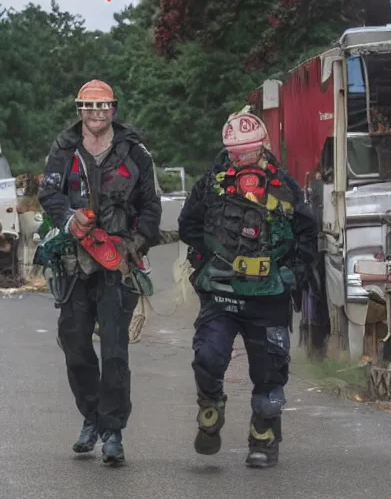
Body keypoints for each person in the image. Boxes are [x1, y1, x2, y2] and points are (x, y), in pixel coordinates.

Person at [178, 112, 318, 468]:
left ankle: (263, 437)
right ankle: (211, 409)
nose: (243, 159)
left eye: (250, 151)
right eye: (236, 153)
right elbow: (188, 224)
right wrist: (203, 262)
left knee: (270, 372)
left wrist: (294, 276)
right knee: (208, 357)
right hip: (221, 291)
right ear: (227, 151)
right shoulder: (211, 184)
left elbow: (307, 234)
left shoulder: (285, 188)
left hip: (269, 295)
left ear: (265, 146)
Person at [38, 79, 162, 464]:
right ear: (79, 110)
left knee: (115, 353)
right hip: (73, 266)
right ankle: (91, 417)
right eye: (89, 107)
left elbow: (152, 207)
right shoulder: (63, 149)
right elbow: (49, 193)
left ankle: (112, 432)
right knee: (74, 348)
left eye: (103, 106)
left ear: (114, 109)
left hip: (118, 268)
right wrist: (68, 219)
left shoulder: (135, 152)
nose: (96, 113)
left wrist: (134, 245)